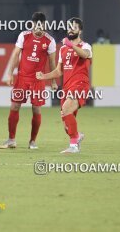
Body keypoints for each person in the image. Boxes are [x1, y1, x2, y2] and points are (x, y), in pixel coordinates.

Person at [0, 12, 57, 150]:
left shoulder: (50, 41)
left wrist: (53, 81)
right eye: (36, 26)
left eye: (41, 26)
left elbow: (52, 62)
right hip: (22, 78)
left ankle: (32, 141)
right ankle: (11, 140)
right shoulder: (23, 36)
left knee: (36, 109)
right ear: (32, 25)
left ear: (44, 25)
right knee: (14, 106)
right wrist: (9, 74)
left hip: (38, 80)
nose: (39, 29)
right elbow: (15, 54)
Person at [36, 17, 91, 154]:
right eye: (69, 27)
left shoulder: (85, 46)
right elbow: (59, 71)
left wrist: (72, 45)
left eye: (74, 27)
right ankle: (77, 136)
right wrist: (44, 76)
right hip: (66, 87)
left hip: (80, 84)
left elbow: (85, 55)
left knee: (66, 109)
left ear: (80, 30)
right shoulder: (63, 50)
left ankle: (74, 146)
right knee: (66, 124)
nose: (71, 30)